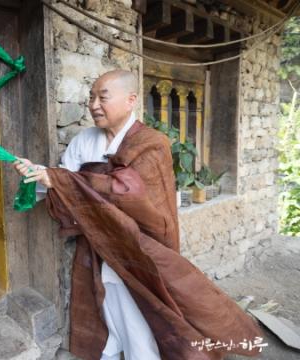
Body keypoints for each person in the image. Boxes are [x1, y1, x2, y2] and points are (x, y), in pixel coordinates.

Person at [15, 70, 262, 360]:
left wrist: (59, 179)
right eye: (91, 97)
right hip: (101, 244)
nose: (94, 104)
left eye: (102, 97)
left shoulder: (152, 143)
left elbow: (128, 193)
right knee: (108, 307)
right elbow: (65, 186)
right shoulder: (84, 141)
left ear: (131, 100)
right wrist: (38, 175)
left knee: (146, 318)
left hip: (141, 246)